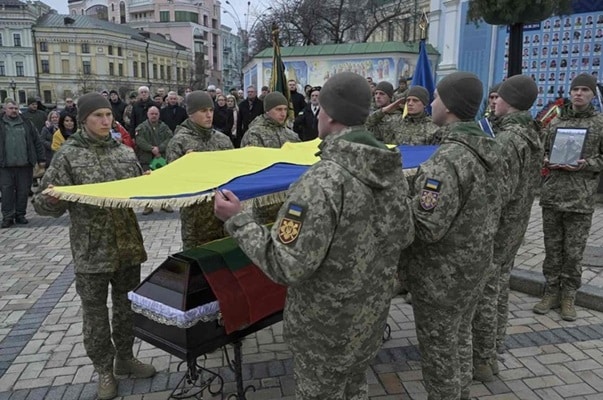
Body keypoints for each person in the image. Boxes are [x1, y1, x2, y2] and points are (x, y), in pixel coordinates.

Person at [214, 71, 414, 399]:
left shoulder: (321, 182)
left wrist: (237, 220)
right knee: (354, 390)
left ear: (329, 114)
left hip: (324, 333)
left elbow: (286, 266)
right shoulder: (389, 169)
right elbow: (404, 235)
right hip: (368, 323)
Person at [32, 93, 156, 400]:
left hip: (127, 245)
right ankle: (104, 370)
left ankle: (125, 358)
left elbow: (138, 191)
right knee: (95, 315)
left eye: (108, 115)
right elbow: (43, 206)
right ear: (83, 119)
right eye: (98, 115)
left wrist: (150, 182)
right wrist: (53, 200)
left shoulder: (124, 152)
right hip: (91, 250)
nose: (105, 121)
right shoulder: (68, 155)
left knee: (126, 308)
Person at [401, 72, 504, 400]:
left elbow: (426, 226)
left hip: (441, 276)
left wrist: (399, 202)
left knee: (439, 352)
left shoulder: (446, 160)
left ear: (449, 106)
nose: (431, 103)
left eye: (436, 97)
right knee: (459, 338)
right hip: (474, 266)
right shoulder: (489, 148)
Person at [472, 75, 542, 382]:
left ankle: (482, 359)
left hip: (498, 227)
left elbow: (495, 194)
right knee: (499, 287)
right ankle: (494, 348)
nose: (494, 102)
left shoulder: (508, 140)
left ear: (510, 100)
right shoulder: (530, 131)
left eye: (498, 97)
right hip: (515, 225)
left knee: (487, 291)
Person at [535, 74, 603, 321]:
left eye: (585, 90)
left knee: (573, 253)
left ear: (592, 94)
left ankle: (569, 296)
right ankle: (551, 291)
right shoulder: (555, 122)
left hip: (580, 199)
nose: (579, 94)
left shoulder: (600, 123)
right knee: (552, 250)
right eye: (576, 89)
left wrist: (587, 163)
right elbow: (542, 151)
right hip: (553, 196)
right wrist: (545, 159)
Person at [166, 91, 233, 250]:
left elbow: (234, 173)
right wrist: (187, 166)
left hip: (224, 216)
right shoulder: (179, 142)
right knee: (198, 260)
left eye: (211, 110)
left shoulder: (222, 140)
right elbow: (174, 181)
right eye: (203, 111)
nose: (209, 115)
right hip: (196, 220)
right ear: (190, 114)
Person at [0, 100, 45, 228]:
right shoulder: (1, 124)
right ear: (5, 109)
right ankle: (7, 217)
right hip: (5, 166)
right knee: (6, 192)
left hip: (25, 165)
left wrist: (41, 159)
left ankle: (20, 214)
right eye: (10, 108)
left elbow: (37, 141)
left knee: (23, 191)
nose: (13, 110)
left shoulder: (26, 123)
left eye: (15, 108)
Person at [134, 106, 173, 212]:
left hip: (161, 159)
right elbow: (139, 140)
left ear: (159, 114)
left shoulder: (164, 127)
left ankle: (165, 203)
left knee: (163, 182)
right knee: (148, 182)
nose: (154, 116)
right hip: (146, 159)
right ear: (148, 114)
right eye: (152, 114)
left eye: (156, 114)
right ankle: (148, 205)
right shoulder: (141, 127)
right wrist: (151, 149)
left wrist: (159, 148)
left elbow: (170, 138)